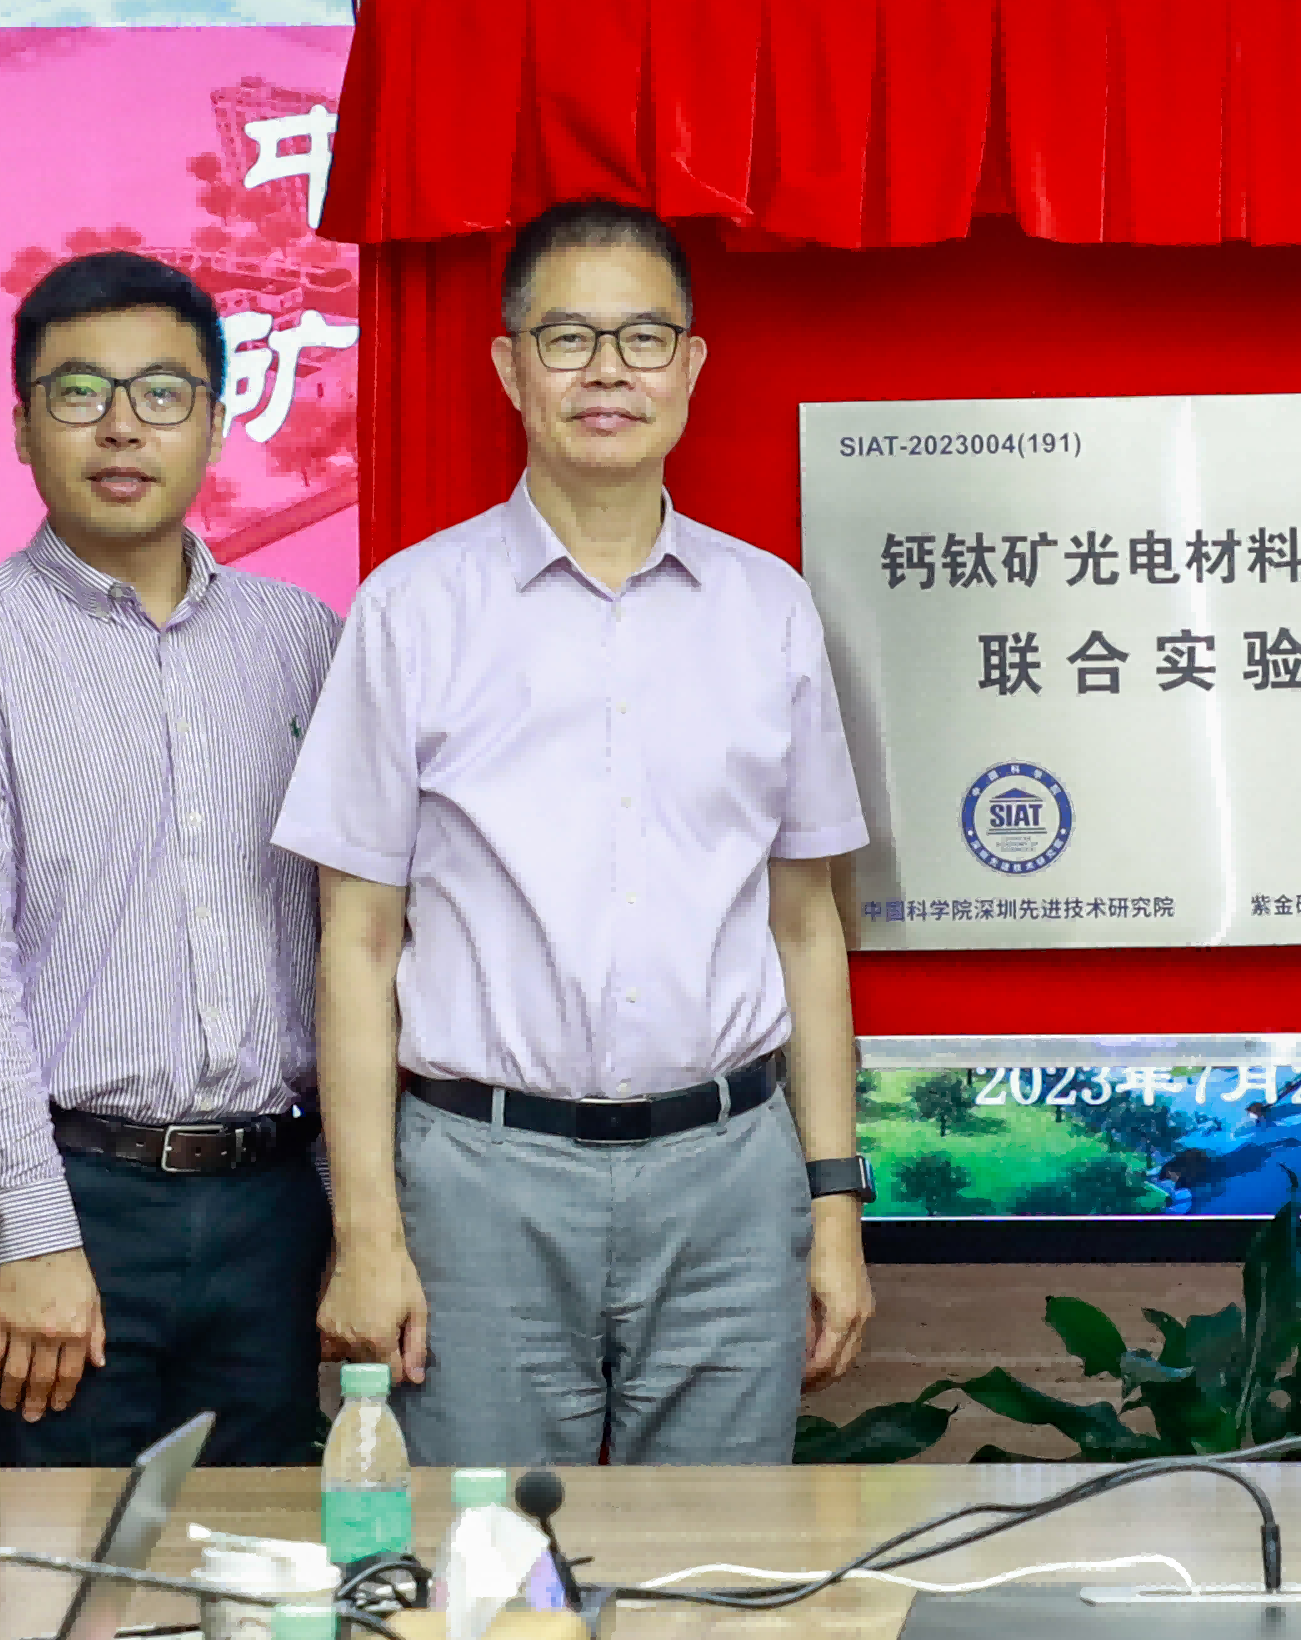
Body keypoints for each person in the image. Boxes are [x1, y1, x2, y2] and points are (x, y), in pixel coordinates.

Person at [282, 200, 878, 1468]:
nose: (609, 371)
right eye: (569, 338)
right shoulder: (412, 610)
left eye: (643, 337)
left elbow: (807, 926)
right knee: (485, 1566)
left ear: (691, 365)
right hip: (481, 1182)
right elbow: (357, 941)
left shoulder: (767, 609)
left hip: (730, 1181)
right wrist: (368, 1233)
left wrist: (833, 1204)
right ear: (511, 367)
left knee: (714, 1569)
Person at [0, 251, 346, 1470]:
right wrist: (32, 1228)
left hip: (271, 1206)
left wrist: (346, 1206)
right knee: (68, 1570)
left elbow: (346, 940)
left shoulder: (300, 640)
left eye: (163, 392)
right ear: (21, 424)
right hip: (69, 1202)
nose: (123, 426)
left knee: (255, 1562)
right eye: (80, 392)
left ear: (217, 422)